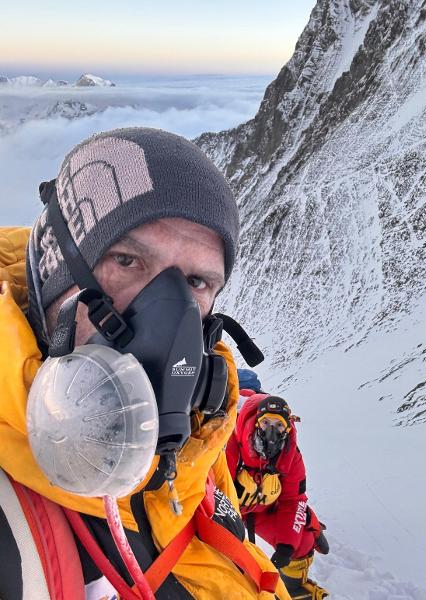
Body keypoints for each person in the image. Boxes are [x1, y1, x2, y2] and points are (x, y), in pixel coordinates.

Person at [0, 128, 291, 599]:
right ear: (53, 276)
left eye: (196, 281)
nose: (166, 311)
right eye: (128, 259)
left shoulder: (196, 446)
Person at [226, 391, 330, 600]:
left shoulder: (291, 456)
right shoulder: (231, 442)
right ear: (257, 423)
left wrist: (285, 547)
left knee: (302, 540)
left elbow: (293, 500)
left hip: (263, 509)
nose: (272, 430)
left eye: (279, 425)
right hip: (227, 509)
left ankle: (292, 588)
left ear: (288, 428)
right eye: (266, 423)